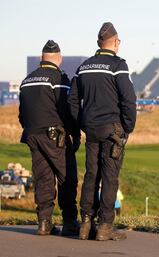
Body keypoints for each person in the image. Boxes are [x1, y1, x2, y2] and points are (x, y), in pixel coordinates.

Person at [68, 22, 136, 241]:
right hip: (112, 130)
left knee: (91, 176)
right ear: (115, 42)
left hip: (92, 130)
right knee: (109, 177)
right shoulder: (118, 65)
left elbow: (73, 101)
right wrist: (128, 126)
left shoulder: (84, 67)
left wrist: (81, 124)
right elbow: (128, 99)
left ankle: (86, 223)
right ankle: (105, 226)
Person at [18, 40, 80, 236]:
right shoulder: (58, 78)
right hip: (55, 136)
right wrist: (75, 133)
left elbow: (22, 114)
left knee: (43, 178)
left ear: (41, 58)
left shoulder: (27, 80)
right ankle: (70, 222)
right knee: (66, 178)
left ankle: (44, 222)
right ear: (59, 59)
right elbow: (67, 109)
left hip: (32, 134)